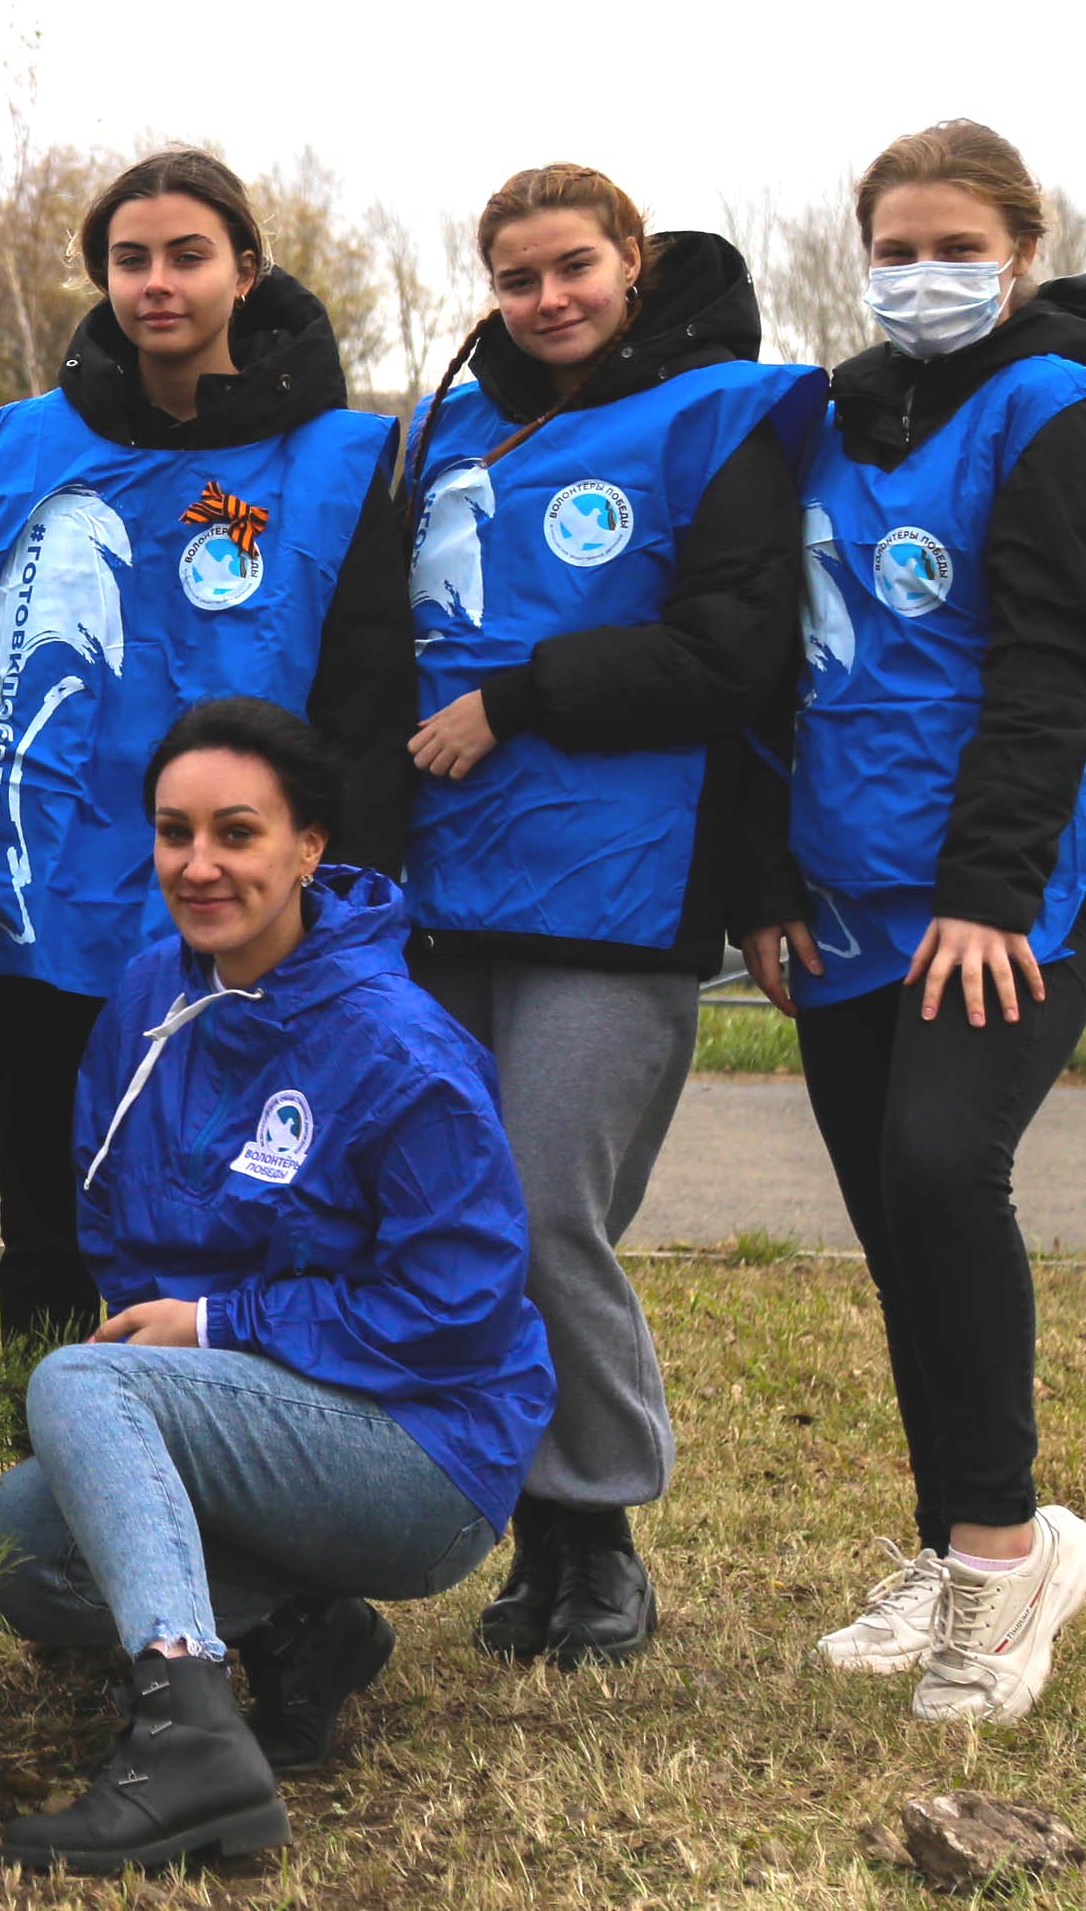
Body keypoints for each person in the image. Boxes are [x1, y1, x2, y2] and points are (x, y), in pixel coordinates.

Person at [0, 699, 550, 1877]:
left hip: (425, 1450)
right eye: (174, 832)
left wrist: (215, 1331)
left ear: (308, 847)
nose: (200, 864)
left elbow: (461, 1309)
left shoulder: (396, 1045)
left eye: (237, 833)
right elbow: (108, 1213)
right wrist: (179, 1366)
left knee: (81, 1384)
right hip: (256, 1420)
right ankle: (304, 1635)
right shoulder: (145, 1000)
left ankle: (187, 1741)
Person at [734, 121, 1086, 1725]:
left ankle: (1004, 1554)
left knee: (937, 1169)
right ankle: (948, 1537)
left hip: (994, 902)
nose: (920, 275)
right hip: (840, 897)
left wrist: (988, 895)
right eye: (893, 248)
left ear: (1020, 250)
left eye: (953, 245)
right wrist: (762, 879)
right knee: (900, 1238)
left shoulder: (1058, 411)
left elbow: (1053, 672)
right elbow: (775, 666)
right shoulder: (835, 413)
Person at [399, 166, 823, 1667]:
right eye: (516, 279)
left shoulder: (724, 416)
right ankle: (533, 1534)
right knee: (454, 1215)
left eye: (573, 266)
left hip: (617, 899)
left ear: (631, 260)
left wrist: (518, 699)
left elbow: (734, 660)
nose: (547, 300)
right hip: (442, 896)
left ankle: (602, 1527)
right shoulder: (443, 430)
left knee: (543, 1209)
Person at [0, 147, 413, 1346]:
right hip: (44, 911)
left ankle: (217, 1480)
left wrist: (357, 899)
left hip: (241, 907)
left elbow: (365, 702)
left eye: (187, 255)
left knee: (240, 1216)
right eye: (129, 259)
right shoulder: (13, 451)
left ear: (244, 270)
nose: (157, 283)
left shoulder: (345, 461)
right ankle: (50, 1475)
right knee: (44, 1211)